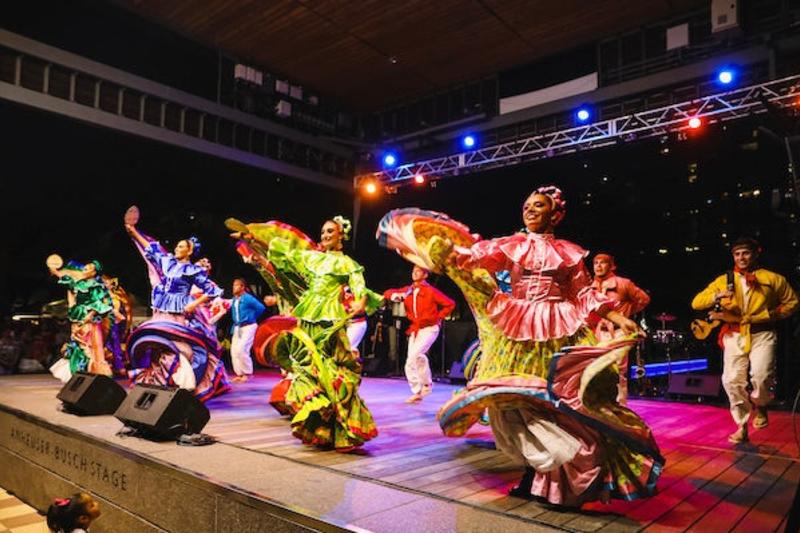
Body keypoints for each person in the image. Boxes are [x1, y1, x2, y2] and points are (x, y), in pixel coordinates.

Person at [377, 186, 663, 506]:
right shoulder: (513, 245)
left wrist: (617, 317)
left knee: (554, 405)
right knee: (511, 402)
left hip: (557, 326)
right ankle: (538, 469)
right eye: (527, 205)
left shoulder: (569, 253)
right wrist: (438, 249)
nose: (529, 210)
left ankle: (558, 474)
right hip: (518, 324)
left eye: (538, 206)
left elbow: (584, 296)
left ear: (555, 214)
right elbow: (475, 257)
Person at [232, 215, 382, 450]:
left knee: (331, 370)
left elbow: (358, 284)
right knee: (308, 368)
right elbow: (285, 255)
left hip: (330, 317)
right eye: (323, 231)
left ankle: (343, 430)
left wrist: (360, 301)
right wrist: (253, 240)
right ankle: (320, 427)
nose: (325, 235)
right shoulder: (313, 258)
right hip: (308, 313)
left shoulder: (346, 263)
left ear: (341, 236)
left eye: (330, 231)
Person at [691, 237, 798, 443]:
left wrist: (772, 314)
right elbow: (697, 302)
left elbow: (792, 302)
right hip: (734, 334)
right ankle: (741, 425)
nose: (741, 258)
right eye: (737, 254)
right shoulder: (724, 280)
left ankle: (762, 405)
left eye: (746, 253)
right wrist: (716, 296)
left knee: (761, 374)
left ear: (756, 253)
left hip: (762, 332)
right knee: (731, 380)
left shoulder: (773, 278)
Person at [125, 215, 230, 402]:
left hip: (178, 311)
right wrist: (133, 231)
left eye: (181, 246)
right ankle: (159, 383)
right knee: (158, 345)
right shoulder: (168, 263)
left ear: (189, 251)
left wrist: (193, 304)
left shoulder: (192, 270)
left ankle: (181, 383)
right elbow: (151, 248)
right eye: (177, 246)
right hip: (162, 310)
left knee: (176, 347)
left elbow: (212, 290)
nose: (176, 248)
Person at [384, 265, 455, 403]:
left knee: (414, 357)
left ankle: (426, 384)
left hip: (430, 328)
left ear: (425, 275)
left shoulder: (431, 291)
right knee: (413, 361)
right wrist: (395, 296)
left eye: (418, 271)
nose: (414, 273)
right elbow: (387, 292)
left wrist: (438, 317)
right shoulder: (408, 291)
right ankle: (419, 390)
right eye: (413, 271)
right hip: (416, 329)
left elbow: (450, 304)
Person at [591, 252, 650, 403]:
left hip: (618, 332)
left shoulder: (623, 283)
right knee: (597, 369)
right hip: (598, 332)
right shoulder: (591, 286)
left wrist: (627, 312)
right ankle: (601, 404)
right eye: (595, 263)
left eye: (602, 262)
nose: (598, 266)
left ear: (611, 266)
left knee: (618, 371)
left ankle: (620, 405)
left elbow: (643, 299)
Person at [47, 259, 113, 381]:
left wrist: (89, 316)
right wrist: (54, 270)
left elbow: (98, 304)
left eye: (88, 268)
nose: (85, 269)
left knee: (88, 346)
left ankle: (90, 374)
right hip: (79, 317)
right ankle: (77, 374)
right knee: (77, 346)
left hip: (89, 321)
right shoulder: (80, 284)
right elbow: (69, 284)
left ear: (94, 273)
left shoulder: (96, 286)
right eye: (85, 267)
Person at [227, 278, 266, 382]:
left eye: (236, 285)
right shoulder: (235, 299)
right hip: (237, 328)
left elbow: (261, 308)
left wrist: (251, 317)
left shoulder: (248, 298)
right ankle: (239, 374)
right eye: (233, 285)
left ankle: (247, 373)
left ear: (242, 287)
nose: (233, 287)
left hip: (249, 326)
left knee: (242, 349)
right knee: (234, 351)